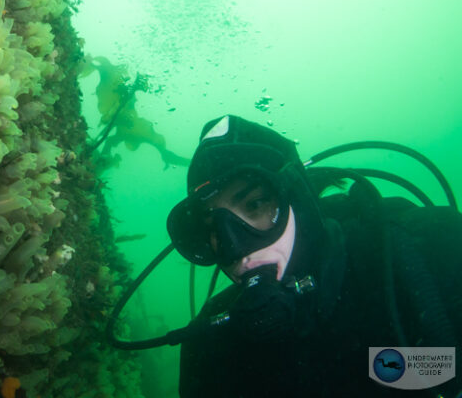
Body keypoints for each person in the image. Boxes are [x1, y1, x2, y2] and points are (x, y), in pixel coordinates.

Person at [167, 115, 462, 397]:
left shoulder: (425, 251)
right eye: (213, 227)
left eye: (255, 204)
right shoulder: (211, 344)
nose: (234, 246)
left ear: (297, 197)